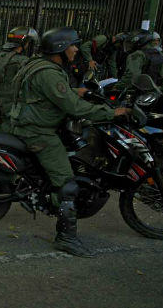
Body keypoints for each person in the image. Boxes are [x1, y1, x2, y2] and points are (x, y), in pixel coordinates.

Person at [9, 27, 130, 257]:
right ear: (60, 49)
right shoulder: (49, 73)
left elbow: (50, 92)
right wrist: (111, 113)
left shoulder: (38, 65)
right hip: (38, 132)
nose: (76, 49)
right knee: (68, 184)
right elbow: (73, 108)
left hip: (28, 124)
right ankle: (66, 238)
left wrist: (77, 90)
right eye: (72, 46)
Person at [0, 26, 38, 131]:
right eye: (28, 42)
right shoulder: (22, 61)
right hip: (11, 104)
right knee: (8, 133)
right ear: (23, 42)